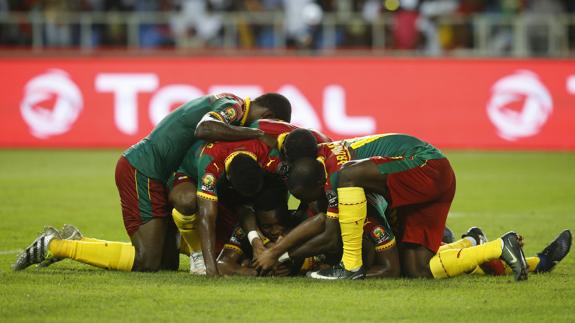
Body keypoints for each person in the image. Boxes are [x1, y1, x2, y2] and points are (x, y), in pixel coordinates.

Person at [12, 93, 291, 272]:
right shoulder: (234, 106)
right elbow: (203, 128)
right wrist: (255, 137)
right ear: (267, 117)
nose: (261, 132)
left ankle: (79, 241)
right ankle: (55, 245)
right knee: (147, 260)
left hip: (161, 174)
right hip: (143, 170)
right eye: (266, 126)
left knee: (165, 263)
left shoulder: (232, 109)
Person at [255, 131, 529, 281]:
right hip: (428, 181)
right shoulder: (324, 164)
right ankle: (490, 246)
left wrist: (280, 255)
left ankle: (351, 267)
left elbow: (330, 230)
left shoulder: (337, 171)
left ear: (315, 182)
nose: (308, 203)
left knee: (348, 175)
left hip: (426, 165)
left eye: (307, 196)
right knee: (418, 271)